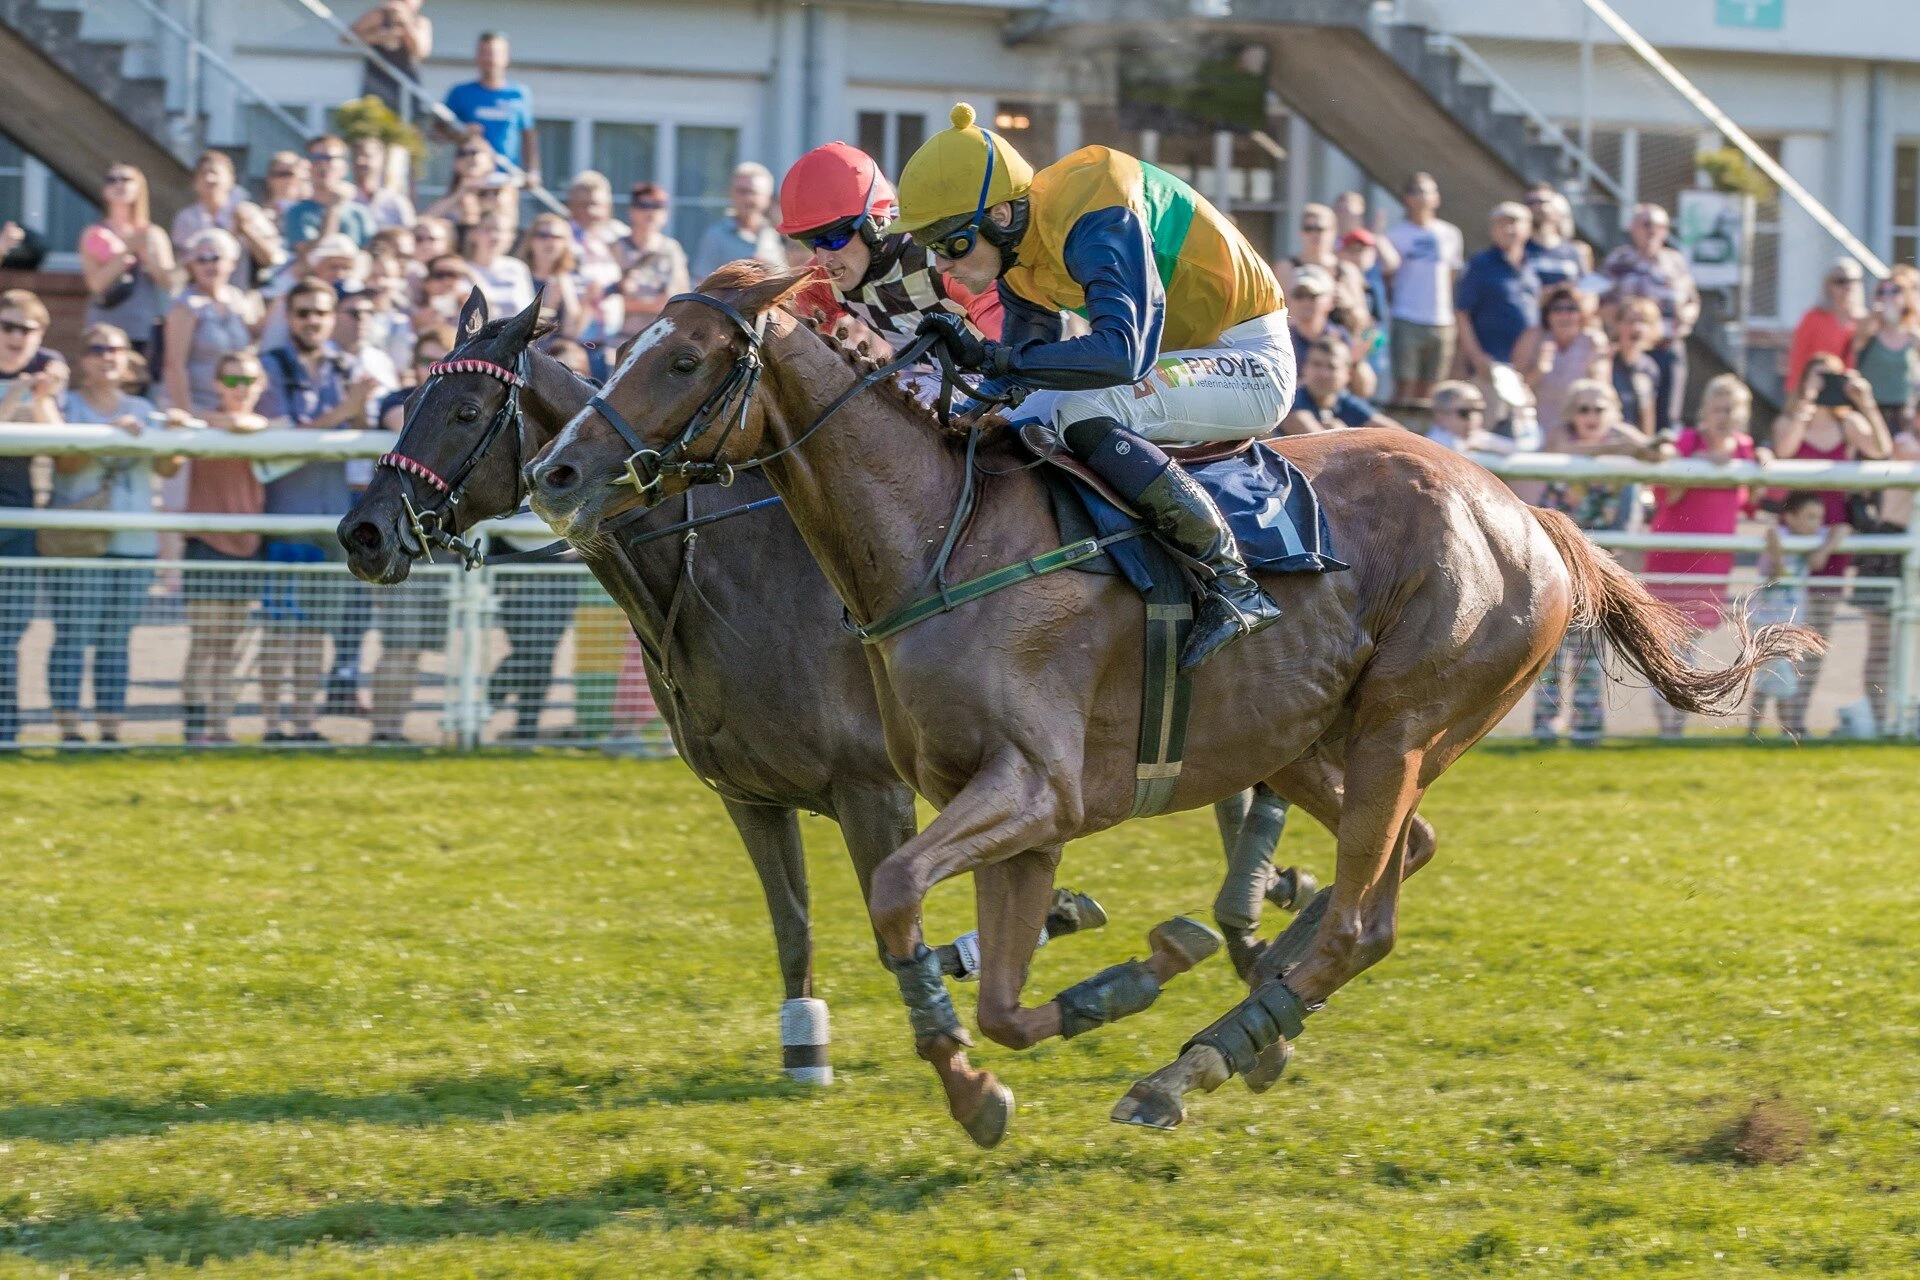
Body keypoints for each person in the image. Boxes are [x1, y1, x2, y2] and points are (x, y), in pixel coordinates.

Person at [895, 103, 1292, 670]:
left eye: (951, 243)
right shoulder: (1019, 258)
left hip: (1248, 358)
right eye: (928, 246)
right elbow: (1015, 378)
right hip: (1179, 358)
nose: (941, 265)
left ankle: (1231, 580)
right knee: (1018, 422)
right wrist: (956, 382)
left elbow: (1122, 354)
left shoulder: (1096, 202)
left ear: (1003, 215)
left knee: (1085, 406)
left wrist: (988, 355)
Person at [256, 278, 381, 742]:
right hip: (286, 517)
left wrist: (361, 409)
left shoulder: (345, 366)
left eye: (321, 312)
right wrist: (346, 408)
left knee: (314, 632)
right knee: (279, 628)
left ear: (333, 318)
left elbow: (364, 438)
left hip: (331, 518)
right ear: (290, 317)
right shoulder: (266, 367)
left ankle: (304, 724)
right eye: (304, 312)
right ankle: (273, 726)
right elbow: (286, 436)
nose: (313, 320)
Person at [46, 326, 180, 744]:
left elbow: (168, 469)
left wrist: (171, 435)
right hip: (79, 541)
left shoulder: (143, 407)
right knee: (74, 632)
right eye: (97, 349)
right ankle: (69, 728)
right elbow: (64, 464)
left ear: (127, 359)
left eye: (117, 349)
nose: (108, 356)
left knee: (117, 639)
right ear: (82, 360)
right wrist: (110, 435)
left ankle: (110, 730)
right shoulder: (66, 405)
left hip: (136, 541)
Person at [1769, 354, 1894, 736]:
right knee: (1785, 631)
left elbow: (1880, 450)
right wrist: (1805, 408)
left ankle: (1798, 718)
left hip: (1832, 539)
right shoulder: (1791, 420)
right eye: (1816, 378)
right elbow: (1784, 450)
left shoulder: (1848, 422)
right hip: (1791, 541)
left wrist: (1865, 401)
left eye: (1831, 379)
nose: (1825, 386)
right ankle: (1780, 715)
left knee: (1818, 633)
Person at [779, 142, 1001, 352]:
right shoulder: (822, 279)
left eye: (834, 238)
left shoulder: (942, 258)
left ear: (873, 223)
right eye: (811, 242)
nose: (823, 257)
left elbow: (1012, 347)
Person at [1644, 374, 1768, 738]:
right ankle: (1665, 725)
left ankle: (1677, 726)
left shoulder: (1744, 448)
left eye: (1731, 409)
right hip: (1672, 559)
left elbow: (1753, 502)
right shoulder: (1685, 442)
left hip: (1713, 564)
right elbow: (1670, 495)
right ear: (1705, 411)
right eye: (1718, 408)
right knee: (1664, 644)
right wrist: (1698, 463)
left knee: (1692, 646)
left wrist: (1761, 460)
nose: (1724, 416)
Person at [1531, 379, 1647, 745]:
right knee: (1547, 648)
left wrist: (1634, 443)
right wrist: (1625, 445)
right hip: (1554, 560)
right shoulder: (1559, 441)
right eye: (1583, 409)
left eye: (1599, 409)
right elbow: (1565, 448)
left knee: (1589, 649)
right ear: (1571, 414)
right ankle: (1546, 723)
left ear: (1613, 412)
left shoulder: (1622, 442)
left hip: (1598, 563)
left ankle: (1587, 725)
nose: (1591, 416)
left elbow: (1653, 450)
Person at [180, 348, 269, 743]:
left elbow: (252, 423)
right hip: (207, 542)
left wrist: (233, 422)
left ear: (260, 385)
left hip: (247, 546)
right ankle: (195, 727)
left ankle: (220, 727)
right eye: (232, 380)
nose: (241, 388)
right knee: (206, 641)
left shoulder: (267, 427)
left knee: (230, 645)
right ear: (217, 384)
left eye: (249, 380)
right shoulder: (200, 427)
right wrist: (214, 422)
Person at [0, 289, 66, 743]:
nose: (16, 336)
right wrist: (19, 391)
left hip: (19, 519)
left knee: (11, 630)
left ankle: (7, 727)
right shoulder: (31, 377)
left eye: (26, 329)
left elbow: (57, 443)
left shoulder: (47, 368)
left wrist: (40, 392)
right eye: (7, 327)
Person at [1746, 492, 1848, 737]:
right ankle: (1787, 732)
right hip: (1765, 622)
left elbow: (1842, 529)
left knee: (1770, 678)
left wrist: (1824, 550)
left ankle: (1756, 733)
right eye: (1809, 517)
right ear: (1789, 518)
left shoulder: (1813, 538)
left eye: (1819, 518)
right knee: (1782, 679)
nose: (1816, 523)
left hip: (1790, 623)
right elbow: (1771, 537)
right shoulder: (1780, 537)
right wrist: (1780, 561)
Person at [1600, 203, 1698, 434]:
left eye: (1660, 226)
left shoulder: (1675, 261)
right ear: (1633, 228)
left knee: (1667, 412)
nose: (1653, 230)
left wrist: (1686, 317)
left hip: (1667, 346)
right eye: (1646, 224)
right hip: (1632, 348)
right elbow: (1601, 301)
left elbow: (1693, 300)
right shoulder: (1619, 260)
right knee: (1630, 407)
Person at [162, 228, 266, 415]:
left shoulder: (238, 299)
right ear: (191, 265)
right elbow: (174, 365)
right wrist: (186, 414)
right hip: (198, 406)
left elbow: (254, 344)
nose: (208, 265)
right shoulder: (185, 306)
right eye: (201, 260)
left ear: (232, 263)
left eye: (215, 258)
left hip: (234, 407)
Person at [79, 164, 175, 361]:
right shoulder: (94, 234)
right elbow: (95, 284)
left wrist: (148, 254)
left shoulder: (153, 234)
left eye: (126, 180)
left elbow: (168, 283)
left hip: (140, 329)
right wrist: (128, 250)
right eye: (112, 180)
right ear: (105, 190)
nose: (119, 184)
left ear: (139, 187)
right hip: (102, 329)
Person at [1383, 172, 1463, 405]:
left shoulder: (1450, 233)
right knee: (1405, 386)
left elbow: (1452, 275)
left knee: (1433, 388)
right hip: (1407, 316)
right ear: (1407, 198)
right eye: (1417, 191)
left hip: (1441, 319)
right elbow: (1389, 278)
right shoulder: (1396, 235)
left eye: (1429, 191)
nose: (1424, 197)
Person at [1510, 282, 1611, 448]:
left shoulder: (1593, 341)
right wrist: (1539, 369)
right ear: (1547, 315)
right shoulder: (1533, 337)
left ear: (1581, 314)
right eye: (1557, 309)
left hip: (1578, 431)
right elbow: (1515, 392)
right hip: (1537, 428)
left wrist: (1594, 368)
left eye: (1571, 309)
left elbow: (1601, 392)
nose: (1564, 314)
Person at [171, 150, 284, 287]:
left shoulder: (248, 212)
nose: (210, 178)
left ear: (231, 179)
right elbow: (184, 264)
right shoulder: (186, 218)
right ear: (195, 182)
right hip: (199, 296)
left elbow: (271, 258)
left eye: (215, 172)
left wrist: (247, 229)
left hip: (243, 293)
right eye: (203, 173)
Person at [1454, 202, 1541, 379]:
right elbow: (1462, 314)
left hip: (1525, 367)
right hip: (1490, 366)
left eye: (1514, 222)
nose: (1508, 229)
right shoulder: (1480, 264)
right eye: (1501, 223)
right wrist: (1476, 356)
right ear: (1492, 230)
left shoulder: (1532, 265)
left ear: (1529, 228)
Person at [441, 31, 538, 183]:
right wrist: (461, 134)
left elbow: (528, 135)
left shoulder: (519, 94)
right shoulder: (460, 93)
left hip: (507, 176)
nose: (489, 59)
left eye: (494, 53)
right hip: (470, 178)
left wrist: (533, 171)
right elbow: (438, 131)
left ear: (507, 57)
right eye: (484, 53)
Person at [1276, 203, 1371, 339]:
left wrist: (1349, 304)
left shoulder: (1346, 271)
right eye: (1308, 229)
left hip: (1336, 347)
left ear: (1333, 232)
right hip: (1298, 345)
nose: (1314, 234)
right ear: (1300, 232)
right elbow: (1277, 315)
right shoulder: (1286, 268)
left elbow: (1364, 323)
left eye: (1320, 229)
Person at [614, 183, 690, 343]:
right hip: (619, 340)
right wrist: (653, 304)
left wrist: (630, 303)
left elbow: (678, 301)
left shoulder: (672, 250)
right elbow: (604, 305)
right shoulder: (616, 248)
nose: (650, 212)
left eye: (657, 206)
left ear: (666, 214)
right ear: (631, 211)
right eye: (644, 205)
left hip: (660, 341)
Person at [1848, 264, 1919, 429]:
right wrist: (1874, 318)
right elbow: (1854, 348)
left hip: (1901, 411)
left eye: (1895, 291)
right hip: (1868, 407)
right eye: (1882, 292)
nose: (1888, 296)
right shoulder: (1869, 328)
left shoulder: (1913, 335)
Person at [689, 162, 785, 280]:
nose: (747, 198)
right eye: (741, 191)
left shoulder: (778, 235)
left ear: (768, 197)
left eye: (753, 192)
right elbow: (702, 283)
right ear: (730, 193)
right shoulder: (716, 236)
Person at [1284, 336, 1399, 433]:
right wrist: (1343, 434)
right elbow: (1321, 444)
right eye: (1316, 364)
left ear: (1347, 374)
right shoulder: (1290, 403)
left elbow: (1397, 434)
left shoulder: (1344, 401)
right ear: (1304, 368)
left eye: (1332, 367)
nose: (1323, 374)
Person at [1784, 258, 1866, 393]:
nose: (1848, 286)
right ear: (1828, 285)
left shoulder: (1862, 320)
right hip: (1817, 390)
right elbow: (1798, 358)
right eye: (1840, 281)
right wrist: (1794, 394)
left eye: (1854, 281)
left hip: (1849, 392)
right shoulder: (1813, 318)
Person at [282, 136, 377, 250]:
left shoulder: (359, 214)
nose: (322, 165)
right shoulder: (297, 212)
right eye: (315, 158)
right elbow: (311, 257)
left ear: (344, 167)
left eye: (329, 158)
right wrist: (333, 208)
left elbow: (370, 256)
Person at [349, 0, 431, 115]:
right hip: (377, 78)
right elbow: (347, 37)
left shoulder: (420, 22)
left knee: (410, 116)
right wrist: (378, 37)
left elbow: (420, 51)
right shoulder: (378, 16)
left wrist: (405, 23)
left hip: (407, 80)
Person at [515, 213, 587, 339]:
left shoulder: (573, 277)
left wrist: (572, 296)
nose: (550, 242)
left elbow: (572, 332)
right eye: (543, 235)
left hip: (558, 349)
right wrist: (549, 306)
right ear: (530, 240)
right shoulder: (518, 275)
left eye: (557, 237)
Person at [1608, 296, 1663, 438]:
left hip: (1635, 445)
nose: (1637, 327)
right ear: (1618, 325)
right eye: (1631, 321)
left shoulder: (1649, 367)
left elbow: (1648, 415)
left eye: (1643, 322)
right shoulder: (1606, 360)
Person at [462, 210, 534, 315]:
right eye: (488, 229)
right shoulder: (459, 269)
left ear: (512, 237)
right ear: (472, 234)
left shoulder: (517, 268)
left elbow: (528, 310)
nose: (495, 236)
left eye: (501, 231)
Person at [1522, 183, 1590, 287]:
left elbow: (1587, 291)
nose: (1537, 207)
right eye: (1531, 202)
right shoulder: (1518, 249)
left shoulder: (1574, 251)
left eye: (1543, 202)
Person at [1423, 379, 1513, 455]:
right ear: (1441, 415)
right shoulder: (1434, 444)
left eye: (1478, 410)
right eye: (1464, 412)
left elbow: (1513, 448)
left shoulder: (1480, 438)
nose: (1473, 417)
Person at [350, 135, 415, 230]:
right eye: (356, 156)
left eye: (367, 156)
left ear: (382, 161)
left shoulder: (395, 202)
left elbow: (410, 233)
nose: (360, 161)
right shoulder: (344, 199)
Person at [261, 153, 312, 220]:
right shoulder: (260, 214)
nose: (288, 180)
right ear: (270, 178)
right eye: (282, 174)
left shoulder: (312, 210)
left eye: (291, 174)